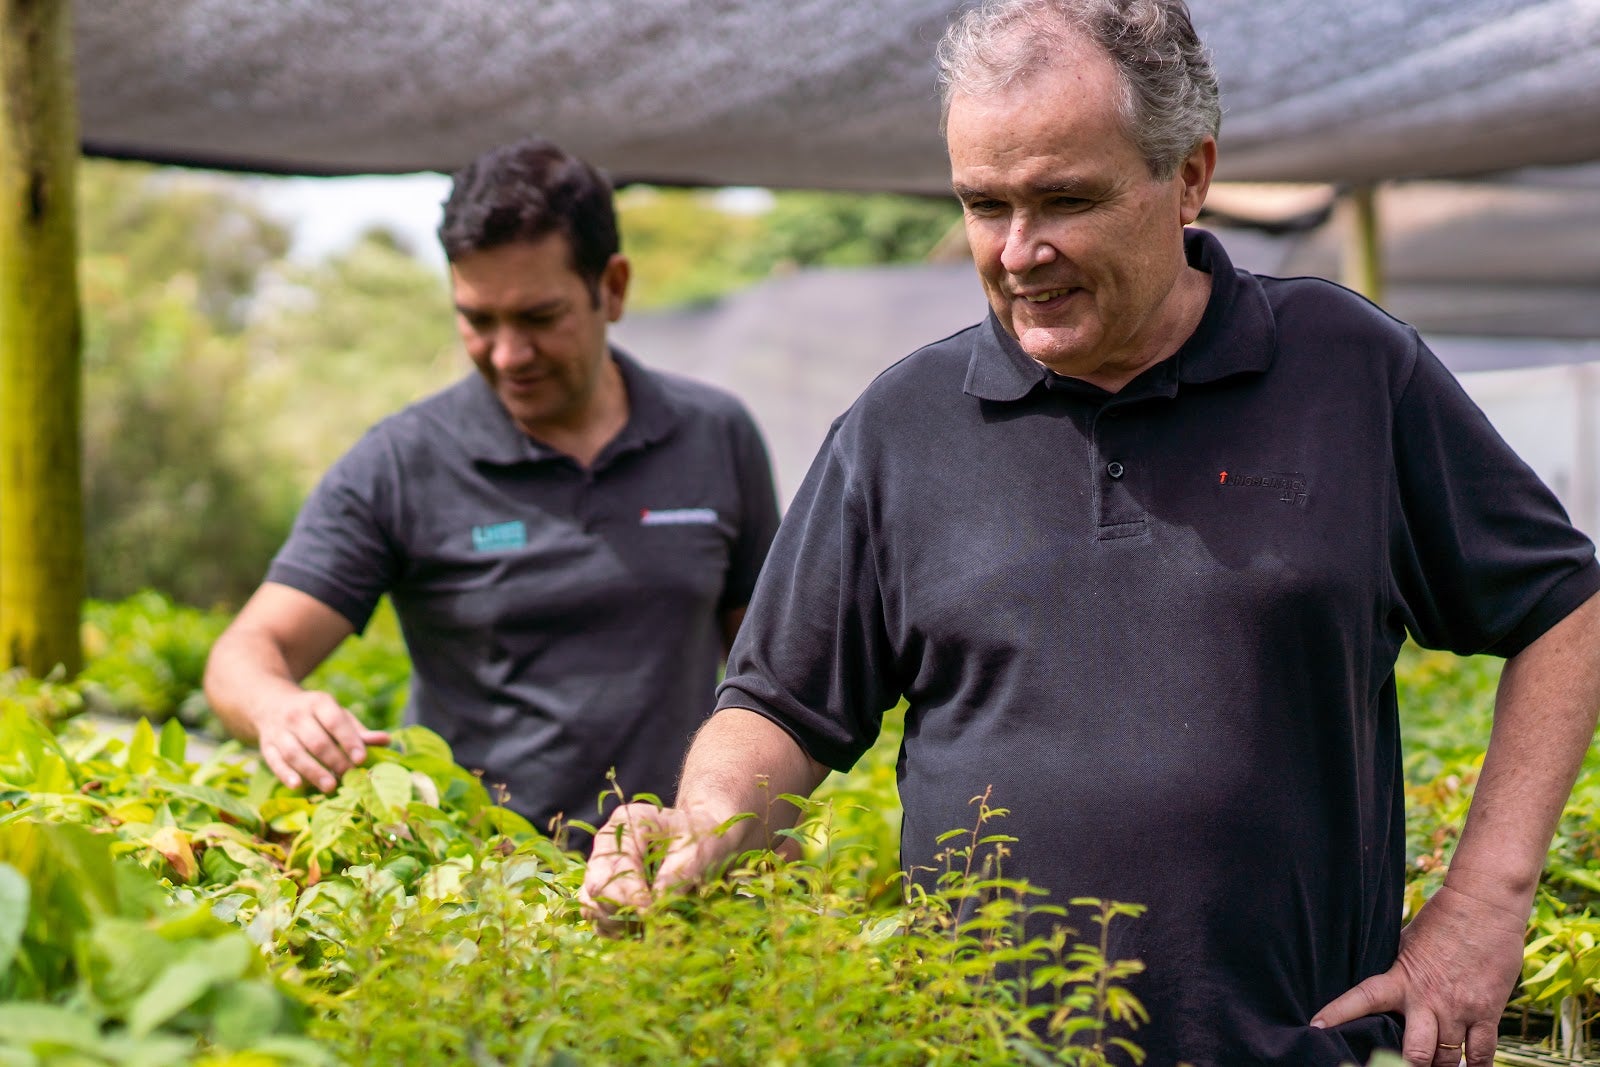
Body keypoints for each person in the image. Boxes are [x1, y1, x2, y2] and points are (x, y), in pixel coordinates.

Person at [580, 2, 1600, 1065]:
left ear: (1188, 175)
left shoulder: (1345, 370)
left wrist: (1485, 902)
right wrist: (695, 822)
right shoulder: (902, 425)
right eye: (985, 204)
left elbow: (1563, 606)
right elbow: (779, 706)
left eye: (1065, 198)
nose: (1020, 250)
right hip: (984, 1051)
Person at [204, 137, 781, 849]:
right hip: (480, 892)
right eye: (478, 319)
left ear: (614, 288)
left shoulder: (714, 437)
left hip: (673, 877)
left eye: (539, 318)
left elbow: (769, 674)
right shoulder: (402, 461)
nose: (508, 354)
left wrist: (747, 818)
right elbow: (245, 651)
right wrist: (277, 708)